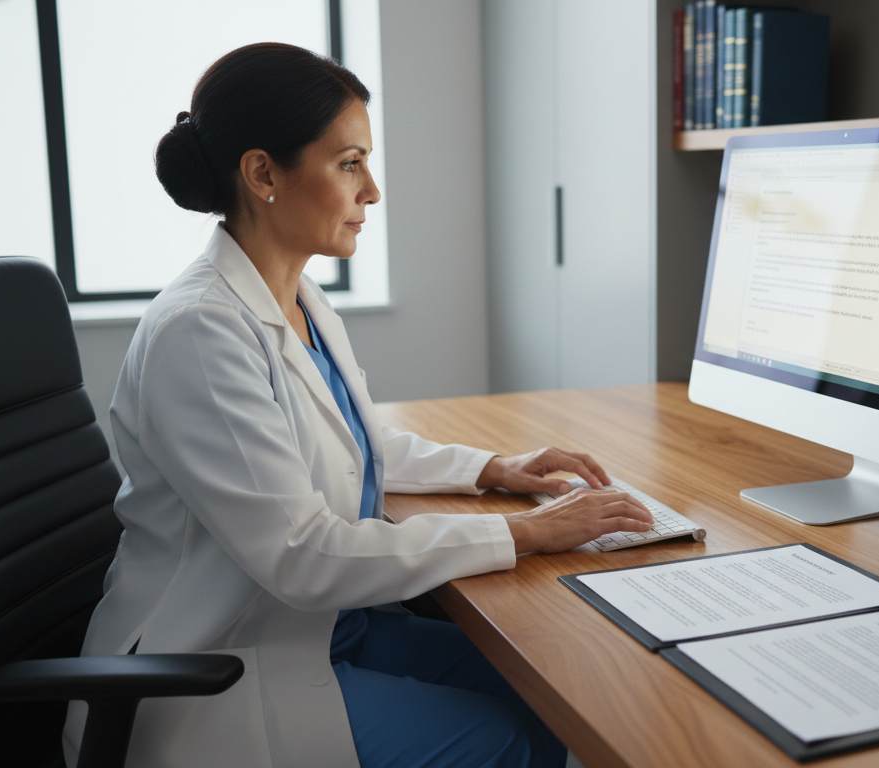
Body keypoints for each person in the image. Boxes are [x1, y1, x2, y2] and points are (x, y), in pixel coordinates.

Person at [62, 42, 653, 768]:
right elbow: (303, 554)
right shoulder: (199, 331)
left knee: (559, 680)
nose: (371, 190)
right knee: (517, 740)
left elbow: (351, 445)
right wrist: (526, 531)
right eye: (349, 164)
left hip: (325, 631)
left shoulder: (298, 296)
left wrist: (496, 468)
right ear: (262, 173)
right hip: (222, 669)